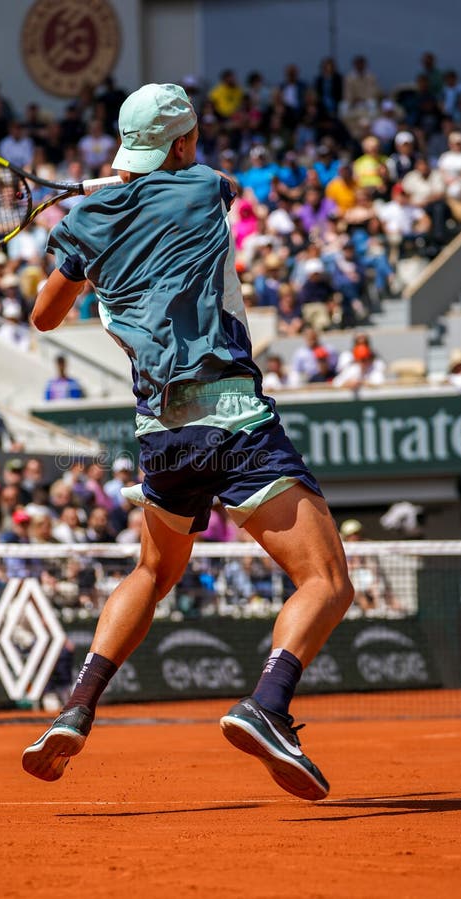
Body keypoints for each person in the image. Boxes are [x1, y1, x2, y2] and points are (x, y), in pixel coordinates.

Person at [22, 82, 352, 800]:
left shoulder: (90, 218)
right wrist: (145, 189)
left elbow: (45, 314)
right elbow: (219, 182)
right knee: (326, 580)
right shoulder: (205, 186)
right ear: (184, 143)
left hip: (159, 432)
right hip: (230, 416)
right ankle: (267, 706)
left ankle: (77, 706)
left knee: (153, 570)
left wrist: (104, 213)